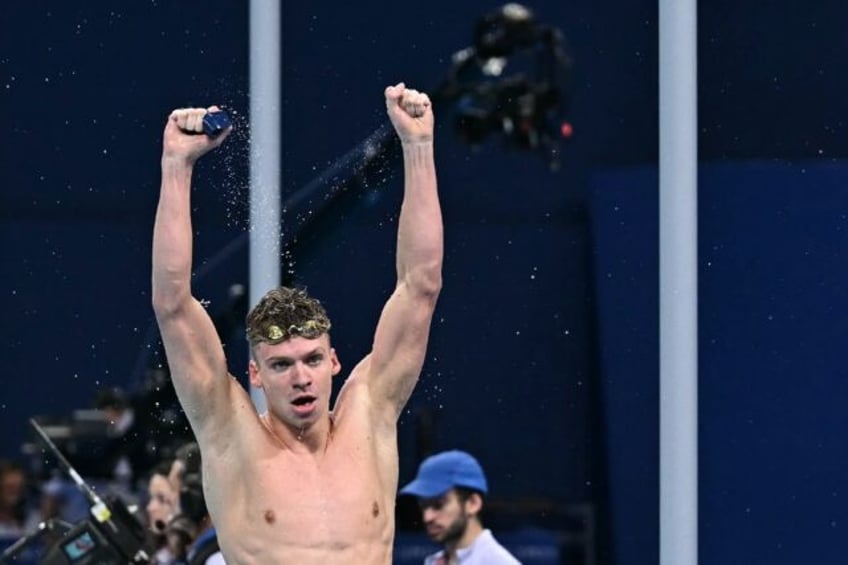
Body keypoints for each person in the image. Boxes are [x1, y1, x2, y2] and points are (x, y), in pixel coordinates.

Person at [151, 81, 443, 564]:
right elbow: (172, 304)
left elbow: (421, 286)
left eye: (310, 359)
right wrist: (176, 167)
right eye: (282, 365)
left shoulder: (370, 415)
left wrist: (418, 147)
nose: (301, 377)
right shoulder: (230, 435)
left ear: (333, 361)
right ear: (256, 375)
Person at [399, 450, 521, 565]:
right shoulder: (435, 561)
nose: (427, 517)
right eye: (423, 506)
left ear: (473, 503)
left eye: (438, 505)